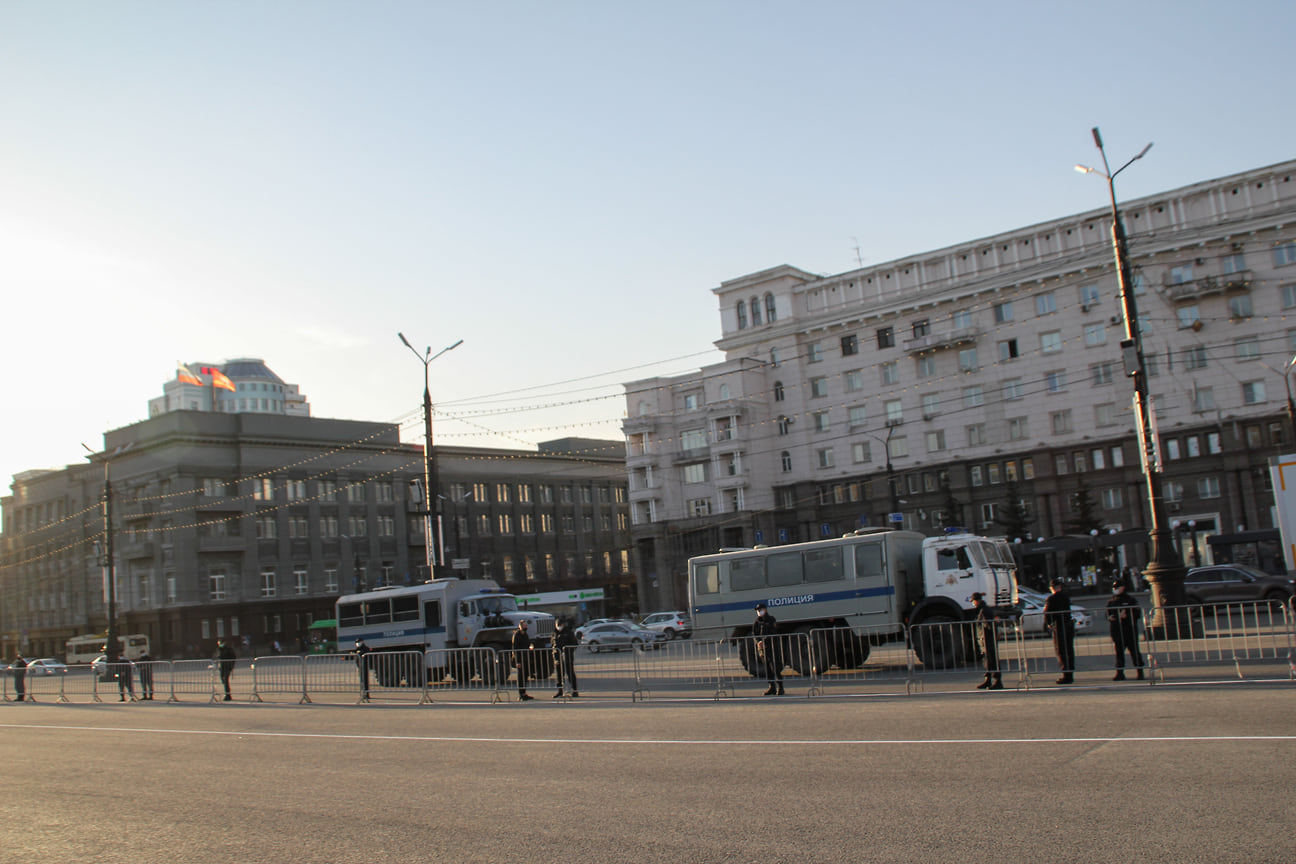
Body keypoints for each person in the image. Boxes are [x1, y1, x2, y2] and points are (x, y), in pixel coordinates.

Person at [1106, 580, 1145, 681]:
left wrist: (1127, 615)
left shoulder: (1130, 600)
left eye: (1117, 587)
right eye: (1114, 588)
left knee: (1134, 652)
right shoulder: (1112, 601)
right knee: (1119, 652)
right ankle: (1120, 673)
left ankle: (1140, 672)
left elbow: (1137, 614)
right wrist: (1110, 617)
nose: (1115, 590)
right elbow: (1107, 613)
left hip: (1129, 630)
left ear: (1123, 588)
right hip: (1117, 631)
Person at [1043, 578, 1076, 684]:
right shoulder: (1066, 597)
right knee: (1069, 649)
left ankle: (1066, 674)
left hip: (1059, 626)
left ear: (1052, 588)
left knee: (1061, 650)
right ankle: (1070, 672)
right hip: (1068, 624)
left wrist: (1048, 624)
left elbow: (1048, 614)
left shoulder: (1051, 599)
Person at [971, 592, 1003, 690]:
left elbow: (988, 625)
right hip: (984, 639)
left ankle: (997, 681)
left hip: (988, 639)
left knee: (992, 660)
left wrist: (988, 636)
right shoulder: (981, 610)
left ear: (976, 601)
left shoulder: (984, 610)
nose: (973, 603)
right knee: (987, 660)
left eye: (973, 601)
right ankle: (988, 680)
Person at [752, 602, 784, 696]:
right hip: (763, 649)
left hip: (772, 647)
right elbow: (755, 634)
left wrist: (765, 641)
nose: (759, 612)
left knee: (775, 668)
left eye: (760, 610)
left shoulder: (771, 619)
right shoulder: (757, 622)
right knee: (767, 668)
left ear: (765, 610)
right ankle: (772, 687)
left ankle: (780, 688)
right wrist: (758, 642)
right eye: (758, 611)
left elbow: (772, 631)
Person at [552, 618, 579, 698]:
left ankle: (574, 690)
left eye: (561, 625)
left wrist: (568, 650)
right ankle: (560, 691)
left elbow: (575, 644)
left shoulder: (568, 632)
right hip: (558, 657)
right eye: (558, 625)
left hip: (567, 657)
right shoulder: (554, 633)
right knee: (559, 675)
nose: (560, 627)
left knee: (570, 673)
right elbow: (552, 643)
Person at [511, 619, 534, 701]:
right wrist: (518, 661)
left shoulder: (525, 635)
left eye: (526, 626)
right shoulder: (517, 635)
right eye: (524, 626)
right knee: (521, 677)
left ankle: (524, 693)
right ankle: (521, 694)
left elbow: (528, 644)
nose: (525, 627)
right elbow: (515, 649)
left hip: (526, 658)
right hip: (520, 658)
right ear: (520, 627)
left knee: (525, 676)